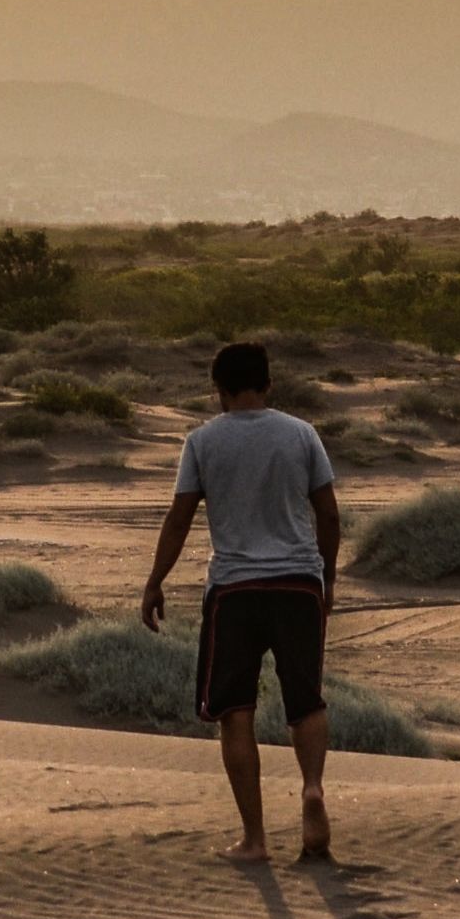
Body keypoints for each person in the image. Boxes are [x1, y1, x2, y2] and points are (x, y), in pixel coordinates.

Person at [139, 338, 342, 866]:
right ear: (268, 384)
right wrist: (327, 579)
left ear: (219, 392)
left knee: (235, 712)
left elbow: (180, 518)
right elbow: (329, 514)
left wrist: (155, 580)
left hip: (234, 589)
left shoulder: (202, 442)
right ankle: (313, 788)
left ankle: (254, 840)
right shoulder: (302, 434)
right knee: (307, 701)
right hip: (299, 582)